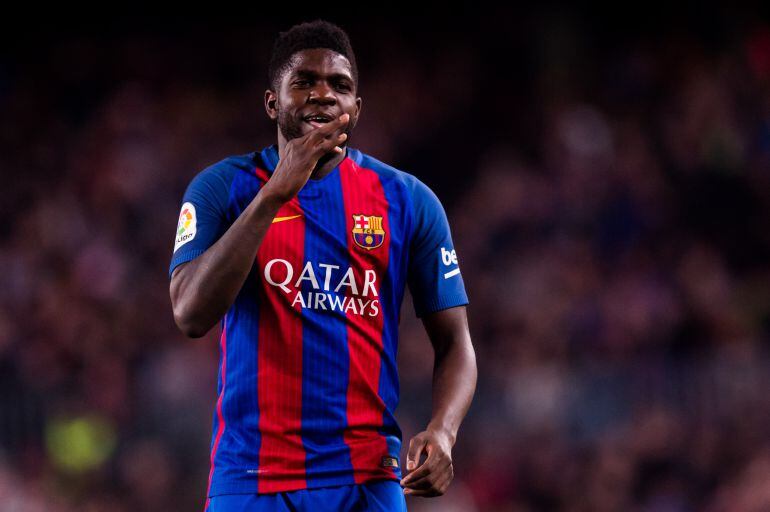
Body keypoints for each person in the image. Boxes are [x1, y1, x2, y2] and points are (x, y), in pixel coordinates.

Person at [168, 19, 477, 512]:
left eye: (340, 85)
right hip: (252, 476)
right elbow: (189, 313)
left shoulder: (408, 200)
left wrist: (443, 431)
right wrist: (275, 194)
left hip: (366, 479)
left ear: (356, 107)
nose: (323, 94)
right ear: (274, 103)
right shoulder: (221, 188)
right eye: (304, 81)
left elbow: (455, 341)